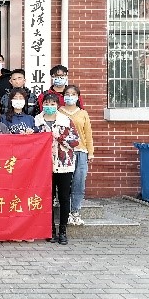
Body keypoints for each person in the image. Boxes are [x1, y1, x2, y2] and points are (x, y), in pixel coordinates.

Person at [35, 93, 79, 245]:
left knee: (64, 197)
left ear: (57, 105)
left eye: (52, 104)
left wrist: (59, 137)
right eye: (47, 103)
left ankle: (63, 230)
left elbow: (75, 141)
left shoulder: (66, 121)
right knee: (48, 197)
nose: (49, 106)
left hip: (64, 164)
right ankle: (50, 229)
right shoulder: (36, 121)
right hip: (43, 166)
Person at [58, 85, 94, 226]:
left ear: (78, 97)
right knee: (65, 184)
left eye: (73, 94)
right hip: (63, 152)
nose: (70, 96)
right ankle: (66, 212)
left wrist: (90, 152)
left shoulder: (83, 113)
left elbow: (88, 134)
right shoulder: (59, 112)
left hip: (81, 152)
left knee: (79, 183)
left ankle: (76, 212)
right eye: (67, 94)